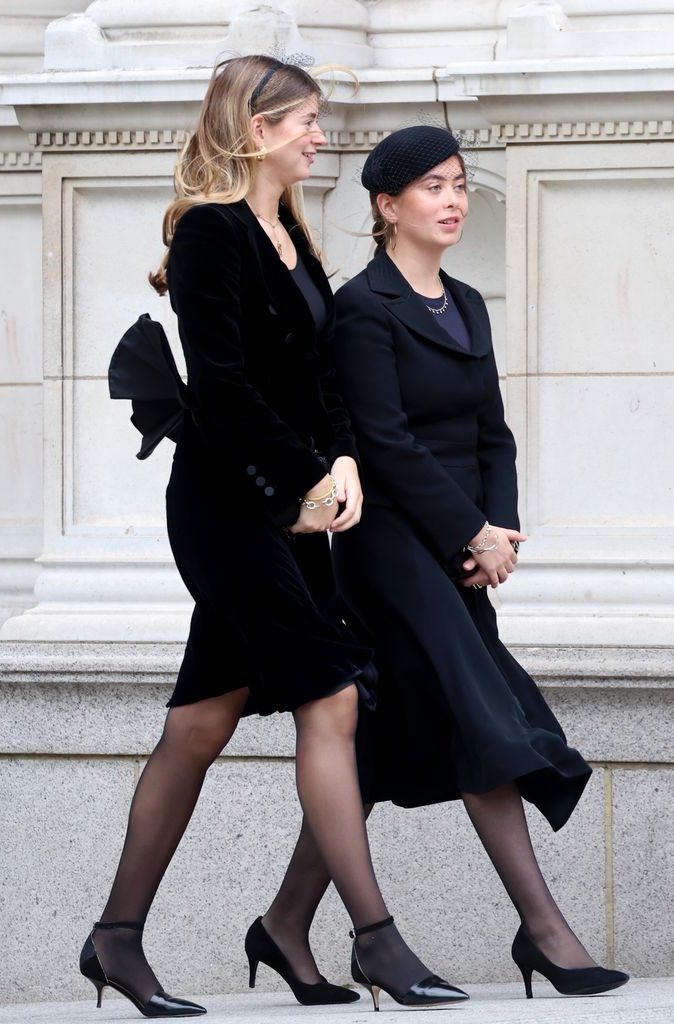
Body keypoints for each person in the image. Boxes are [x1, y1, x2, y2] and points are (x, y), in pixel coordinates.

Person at [79, 62, 468, 1019]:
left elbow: (317, 378)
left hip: (292, 505)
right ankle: (375, 939)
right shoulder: (211, 232)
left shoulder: (290, 231)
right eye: (305, 122)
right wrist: (302, 478)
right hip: (226, 507)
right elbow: (221, 388)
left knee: (201, 722)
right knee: (332, 697)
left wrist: (341, 462)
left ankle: (117, 939)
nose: (319, 138)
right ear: (256, 130)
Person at [257, 125, 629, 1002]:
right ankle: (546, 932)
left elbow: (491, 430)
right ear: (386, 206)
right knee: (479, 710)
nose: (454, 199)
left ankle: (282, 923)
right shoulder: (362, 309)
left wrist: (498, 529)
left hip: (461, 547)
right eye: (431, 187)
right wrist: (471, 534)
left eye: (460, 183)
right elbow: (381, 444)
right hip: (389, 546)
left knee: (380, 742)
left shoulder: (466, 302)